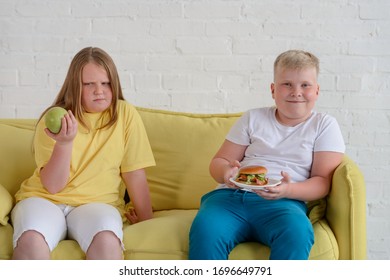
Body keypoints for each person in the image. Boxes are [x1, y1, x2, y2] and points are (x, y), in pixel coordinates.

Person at [189, 50, 345, 260]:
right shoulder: (253, 118)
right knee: (206, 231)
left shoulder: (324, 125)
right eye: (287, 84)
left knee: (297, 233)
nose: (296, 92)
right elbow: (219, 162)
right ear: (273, 90)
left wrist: (288, 189)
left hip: (285, 203)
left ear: (316, 91)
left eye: (305, 85)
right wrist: (226, 172)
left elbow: (322, 182)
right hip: (231, 198)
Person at [11, 47, 155, 260]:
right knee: (31, 240)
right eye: (89, 84)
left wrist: (146, 221)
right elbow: (53, 185)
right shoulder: (54, 120)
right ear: (74, 87)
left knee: (107, 241)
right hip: (44, 200)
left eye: (106, 83)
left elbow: (134, 173)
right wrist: (64, 143)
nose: (100, 90)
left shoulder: (126, 114)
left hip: (97, 204)